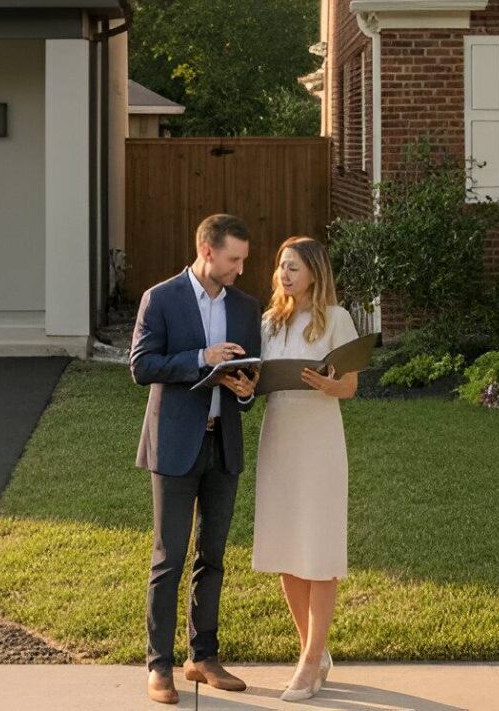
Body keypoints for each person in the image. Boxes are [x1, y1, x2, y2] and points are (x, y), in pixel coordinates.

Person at [129, 212, 263, 705]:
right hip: (175, 444)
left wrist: (247, 390)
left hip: (223, 443)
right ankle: (158, 665)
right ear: (207, 251)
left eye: (244, 260)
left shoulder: (246, 307)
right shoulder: (160, 299)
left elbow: (253, 378)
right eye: (234, 259)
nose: (240, 270)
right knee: (168, 558)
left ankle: (202, 657)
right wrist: (202, 360)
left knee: (213, 556)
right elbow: (141, 366)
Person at [249, 237, 359, 701]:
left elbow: (350, 387)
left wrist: (326, 384)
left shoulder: (337, 320)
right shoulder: (269, 323)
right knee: (285, 551)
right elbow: (257, 380)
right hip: (279, 439)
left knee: (318, 553)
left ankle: (311, 661)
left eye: (293, 267)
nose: (284, 275)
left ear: (315, 272)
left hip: (319, 444)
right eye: (280, 267)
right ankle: (312, 651)